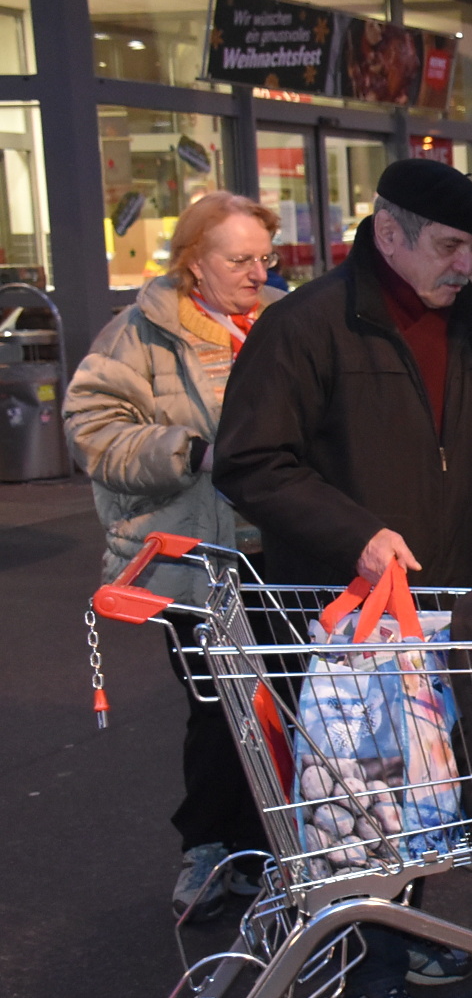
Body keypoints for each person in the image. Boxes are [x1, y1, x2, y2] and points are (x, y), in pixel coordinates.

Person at [215, 158, 472, 998]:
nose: (466, 267)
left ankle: (398, 929)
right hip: (332, 610)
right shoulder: (305, 326)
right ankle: (363, 950)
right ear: (389, 234)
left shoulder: (471, 325)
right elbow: (251, 461)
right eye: (450, 247)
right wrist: (358, 537)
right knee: (351, 792)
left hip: (431, 602)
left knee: (416, 781)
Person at [63, 191, 285, 924]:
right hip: (196, 557)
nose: (258, 271)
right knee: (221, 708)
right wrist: (191, 450)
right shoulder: (140, 333)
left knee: (285, 701)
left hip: (286, 550)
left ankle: (267, 847)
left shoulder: (283, 318)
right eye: (239, 258)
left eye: (265, 256)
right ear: (194, 261)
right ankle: (209, 844)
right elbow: (92, 429)